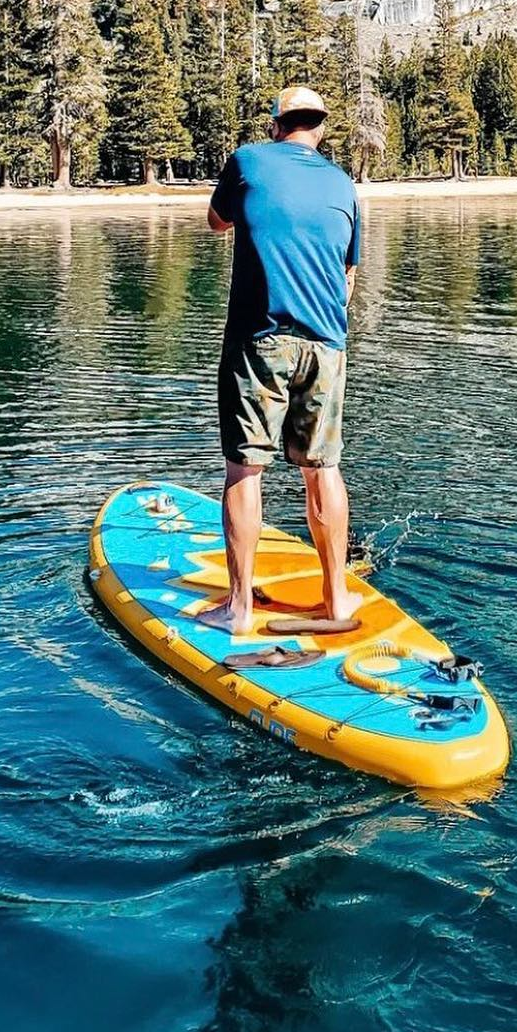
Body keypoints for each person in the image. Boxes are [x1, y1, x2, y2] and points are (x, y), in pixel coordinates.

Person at [201, 84, 363, 634]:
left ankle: (240, 607)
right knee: (323, 468)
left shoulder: (247, 160)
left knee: (244, 469)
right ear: (319, 128)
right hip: (328, 344)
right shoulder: (343, 182)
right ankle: (337, 598)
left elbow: (216, 222)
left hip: (260, 337)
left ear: (277, 124)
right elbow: (347, 277)